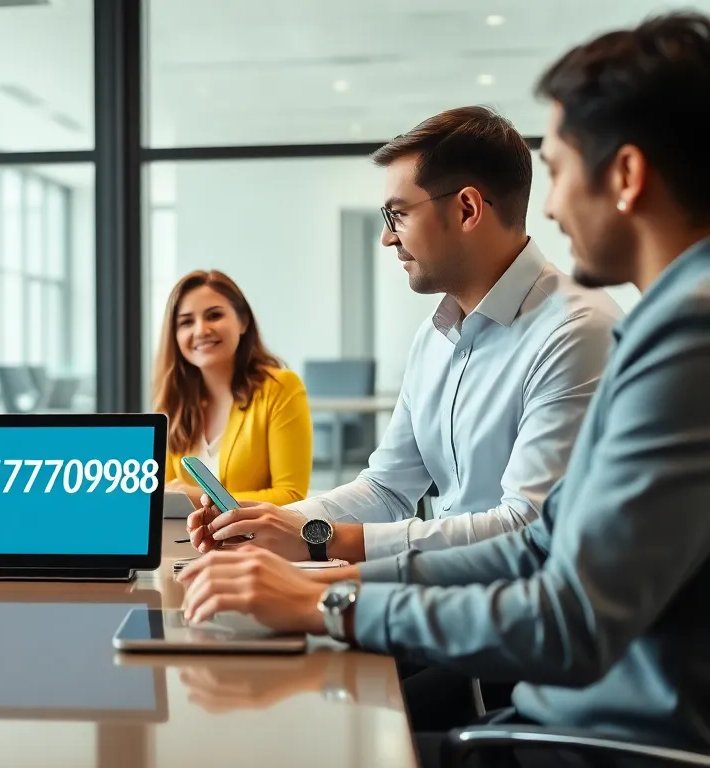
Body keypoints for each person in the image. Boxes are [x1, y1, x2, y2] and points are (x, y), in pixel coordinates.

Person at [179, 11, 710, 763]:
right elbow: (538, 543)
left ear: (624, 176)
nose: (550, 207)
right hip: (551, 698)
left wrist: (330, 593)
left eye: (557, 171)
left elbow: (565, 610)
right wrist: (311, 552)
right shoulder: (652, 322)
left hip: (597, 733)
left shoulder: (667, 331)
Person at [186, 106, 622, 566]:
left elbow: (526, 527)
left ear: (467, 209)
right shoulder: (434, 337)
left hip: (525, 617)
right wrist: (268, 522)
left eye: (398, 215)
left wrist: (324, 539)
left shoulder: (575, 332)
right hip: (445, 601)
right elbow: (387, 487)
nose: (387, 239)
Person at [153, 270, 312, 505]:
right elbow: (162, 497)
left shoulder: (281, 388)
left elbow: (291, 496)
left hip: (255, 541)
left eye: (214, 315)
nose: (201, 330)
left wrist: (202, 497)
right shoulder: (175, 402)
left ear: (243, 321)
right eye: (186, 322)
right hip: (184, 541)